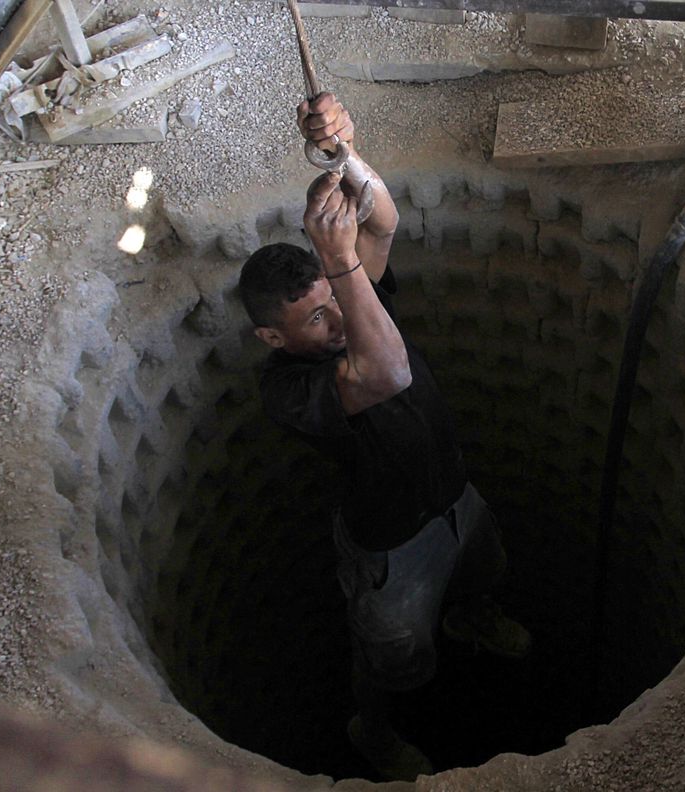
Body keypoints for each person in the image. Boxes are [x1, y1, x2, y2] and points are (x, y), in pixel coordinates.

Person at [239, 94, 531, 782]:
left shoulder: (348, 299)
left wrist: (347, 157)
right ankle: (371, 731)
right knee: (390, 658)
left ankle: (471, 618)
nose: (338, 319)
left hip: (454, 499)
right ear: (273, 337)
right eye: (315, 319)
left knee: (483, 571)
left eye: (335, 302)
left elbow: (384, 221)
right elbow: (386, 371)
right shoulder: (290, 389)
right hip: (392, 548)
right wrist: (340, 266)